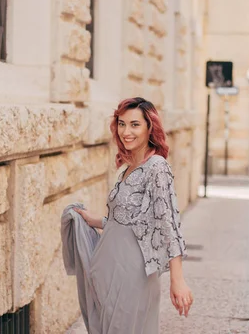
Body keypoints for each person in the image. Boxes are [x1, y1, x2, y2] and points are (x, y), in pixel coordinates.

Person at [73, 97, 193, 334]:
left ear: (150, 127)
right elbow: (128, 222)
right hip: (107, 269)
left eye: (135, 124)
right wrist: (91, 219)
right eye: (121, 124)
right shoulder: (126, 167)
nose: (126, 131)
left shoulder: (157, 167)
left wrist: (177, 279)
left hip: (133, 271)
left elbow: (168, 224)